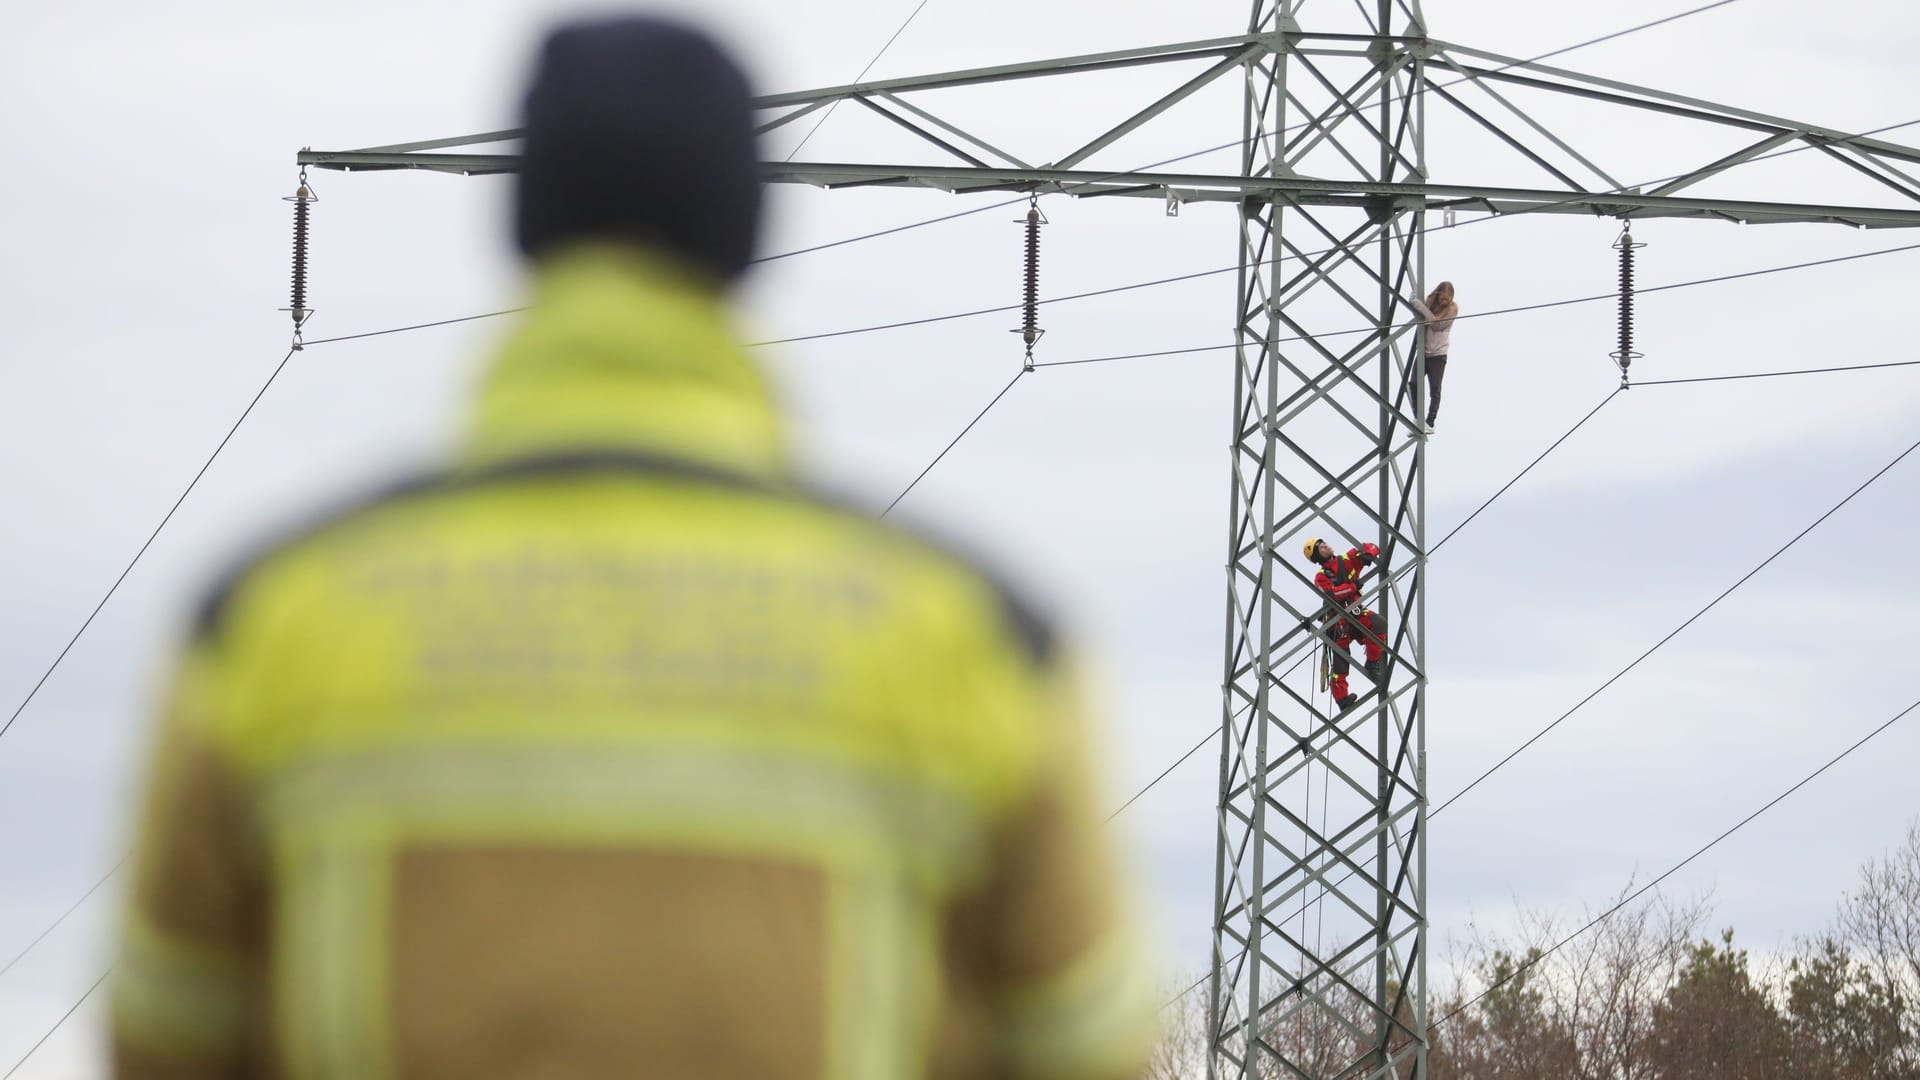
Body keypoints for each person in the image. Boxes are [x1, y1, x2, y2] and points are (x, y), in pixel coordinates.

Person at [113, 16, 1156, 1080]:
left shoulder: (273, 619)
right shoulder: (976, 638)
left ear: (524, 219)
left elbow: (162, 1036)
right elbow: (1086, 1047)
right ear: (745, 232)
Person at [1302, 538, 1387, 713]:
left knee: (1378, 624)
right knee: (1341, 660)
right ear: (1317, 556)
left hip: (1354, 613)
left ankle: (1372, 663)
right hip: (1337, 621)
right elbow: (1331, 595)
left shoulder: (1345, 560)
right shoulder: (1321, 577)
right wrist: (1352, 586)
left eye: (1323, 543)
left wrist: (1367, 555)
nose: (1324, 545)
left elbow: (1369, 547)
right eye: (1319, 548)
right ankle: (1342, 699)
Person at [1410, 281, 1458, 432]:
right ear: (1438, 295)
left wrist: (1418, 305)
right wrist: (1417, 305)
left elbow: (1437, 324)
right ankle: (1418, 419)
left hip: (1438, 354)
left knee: (1435, 389)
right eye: (1442, 298)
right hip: (1424, 351)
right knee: (1413, 383)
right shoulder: (1431, 303)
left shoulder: (1452, 309)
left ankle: (1430, 423)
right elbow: (1422, 316)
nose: (1444, 302)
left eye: (1447, 299)